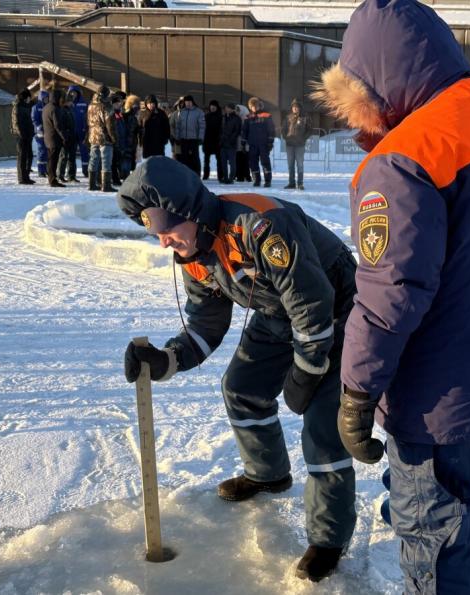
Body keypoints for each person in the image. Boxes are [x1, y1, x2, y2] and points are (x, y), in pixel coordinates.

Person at [312, 1, 470, 593]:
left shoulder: (405, 157)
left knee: (432, 531)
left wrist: (357, 391)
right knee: (456, 511)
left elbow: (389, 293)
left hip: (438, 391)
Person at [117, 156, 358, 582]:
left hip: (335, 313)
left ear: (190, 213)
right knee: (241, 387)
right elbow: (206, 323)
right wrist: (165, 360)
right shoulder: (195, 251)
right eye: (154, 233)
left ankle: (328, 539)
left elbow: (312, 304)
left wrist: (306, 370)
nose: (163, 243)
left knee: (321, 424)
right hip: (276, 313)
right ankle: (267, 474)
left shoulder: (262, 227)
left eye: (166, 230)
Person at [87, 86, 116, 192]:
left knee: (93, 159)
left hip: (93, 135)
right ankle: (106, 185)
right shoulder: (107, 106)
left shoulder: (90, 105)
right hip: (104, 137)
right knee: (106, 160)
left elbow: (88, 122)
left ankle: (91, 184)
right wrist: (113, 138)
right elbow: (110, 125)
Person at [241, 97, 275, 188]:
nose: (254, 108)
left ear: (259, 106)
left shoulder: (266, 115)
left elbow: (271, 130)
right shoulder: (248, 117)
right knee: (253, 162)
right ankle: (256, 180)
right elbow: (245, 131)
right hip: (252, 144)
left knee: (265, 162)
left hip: (263, 144)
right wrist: (243, 143)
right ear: (250, 107)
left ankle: (268, 181)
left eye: (255, 106)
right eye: (252, 106)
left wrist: (270, 142)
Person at [57, 86, 87, 183]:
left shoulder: (83, 103)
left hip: (79, 133)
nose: (73, 95)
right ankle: (60, 174)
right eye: (71, 93)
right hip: (67, 135)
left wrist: (85, 130)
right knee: (64, 155)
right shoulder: (64, 108)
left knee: (74, 156)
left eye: (75, 93)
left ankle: (73, 175)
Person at [281, 99, 311, 190]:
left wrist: (303, 138)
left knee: (300, 164)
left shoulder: (305, 117)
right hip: (289, 144)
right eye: (294, 107)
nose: (295, 109)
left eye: (297, 107)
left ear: (299, 108)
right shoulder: (288, 117)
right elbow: (283, 129)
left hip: (300, 145)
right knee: (290, 164)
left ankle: (300, 183)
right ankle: (291, 183)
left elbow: (309, 130)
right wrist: (286, 137)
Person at [172, 95, 205, 176]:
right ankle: (185, 174)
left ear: (192, 102)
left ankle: (197, 174)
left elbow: (202, 126)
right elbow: (178, 126)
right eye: (186, 102)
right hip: (183, 139)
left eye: (189, 102)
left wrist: (200, 138)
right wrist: (177, 137)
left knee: (195, 158)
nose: (188, 104)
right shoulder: (181, 112)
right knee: (184, 158)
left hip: (194, 139)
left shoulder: (199, 112)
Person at [111, 93, 140, 185]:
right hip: (125, 142)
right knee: (124, 161)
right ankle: (123, 178)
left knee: (128, 161)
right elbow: (126, 129)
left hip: (129, 142)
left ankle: (124, 177)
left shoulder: (129, 115)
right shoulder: (126, 115)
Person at [42, 88, 68, 188]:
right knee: (53, 160)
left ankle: (51, 177)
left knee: (50, 159)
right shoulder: (54, 109)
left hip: (48, 137)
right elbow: (58, 125)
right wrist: (64, 137)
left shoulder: (46, 107)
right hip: (54, 138)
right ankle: (52, 180)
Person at [11, 89, 35, 185]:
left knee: (29, 156)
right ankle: (22, 178)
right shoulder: (17, 107)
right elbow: (16, 122)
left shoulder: (27, 106)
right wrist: (21, 134)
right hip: (21, 136)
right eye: (29, 97)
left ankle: (26, 176)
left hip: (28, 135)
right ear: (26, 97)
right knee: (22, 157)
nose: (30, 99)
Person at [138, 94, 170, 159]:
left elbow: (167, 127)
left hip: (159, 142)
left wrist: (166, 138)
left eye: (152, 103)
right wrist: (140, 140)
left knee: (159, 160)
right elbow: (139, 127)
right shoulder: (143, 113)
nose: (150, 105)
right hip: (147, 142)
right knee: (148, 162)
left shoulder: (161, 113)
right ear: (146, 104)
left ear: (155, 103)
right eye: (148, 103)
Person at [218, 102, 241, 185]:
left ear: (232, 109)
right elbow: (220, 129)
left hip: (231, 143)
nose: (226, 109)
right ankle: (225, 177)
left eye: (228, 108)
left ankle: (231, 178)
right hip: (223, 143)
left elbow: (237, 131)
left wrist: (231, 139)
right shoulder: (223, 117)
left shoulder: (237, 118)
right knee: (223, 162)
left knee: (232, 162)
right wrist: (220, 139)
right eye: (226, 108)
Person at [202, 99, 222, 180]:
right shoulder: (206, 116)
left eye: (214, 106)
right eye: (211, 106)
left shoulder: (221, 116)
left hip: (218, 141)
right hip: (207, 141)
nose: (213, 108)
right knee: (206, 160)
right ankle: (205, 175)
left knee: (219, 160)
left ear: (217, 107)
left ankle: (220, 175)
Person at [32, 89, 50, 179]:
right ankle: (40, 170)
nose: (47, 99)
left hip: (47, 131)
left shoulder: (47, 107)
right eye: (45, 98)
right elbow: (34, 119)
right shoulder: (36, 107)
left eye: (48, 98)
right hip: (39, 132)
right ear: (41, 98)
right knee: (41, 151)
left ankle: (46, 169)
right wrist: (39, 127)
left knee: (46, 151)